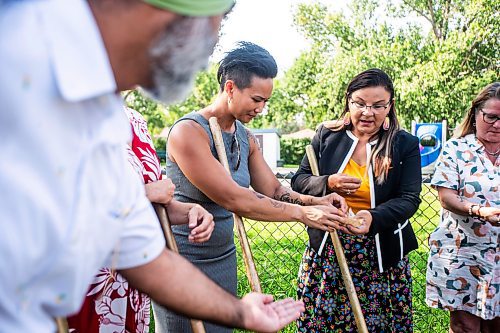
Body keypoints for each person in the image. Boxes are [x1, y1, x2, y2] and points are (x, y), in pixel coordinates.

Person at [0, 1, 304, 332]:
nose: (204, 60)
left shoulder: (106, 111)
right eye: (209, 34)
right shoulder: (14, 57)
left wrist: (242, 314)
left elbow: (142, 254)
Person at [156, 41, 349, 333]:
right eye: (256, 99)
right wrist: (302, 216)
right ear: (231, 88)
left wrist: (316, 203)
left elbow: (273, 190)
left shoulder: (245, 136)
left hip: (223, 257)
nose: (262, 108)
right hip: (184, 262)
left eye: (266, 101)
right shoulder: (188, 132)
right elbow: (236, 199)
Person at [291, 68, 422, 332]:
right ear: (348, 101)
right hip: (331, 247)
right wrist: (328, 182)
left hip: (381, 252)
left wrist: (372, 218)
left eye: (378, 105)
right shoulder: (327, 136)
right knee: (324, 322)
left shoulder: (404, 144)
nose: (367, 112)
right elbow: (299, 180)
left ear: (390, 106)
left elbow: (409, 199)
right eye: (360, 104)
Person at [67, 106, 215, 333]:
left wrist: (190, 211)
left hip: (131, 280)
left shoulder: (134, 119)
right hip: (85, 280)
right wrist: (144, 192)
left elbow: (155, 204)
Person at [426, 82, 500, 333]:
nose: (497, 124)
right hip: (461, 253)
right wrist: (480, 211)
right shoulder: (456, 149)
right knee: (465, 326)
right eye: (491, 117)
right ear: (475, 113)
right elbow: (446, 197)